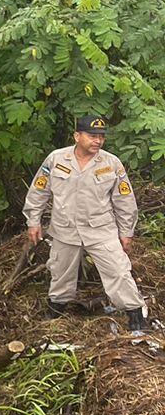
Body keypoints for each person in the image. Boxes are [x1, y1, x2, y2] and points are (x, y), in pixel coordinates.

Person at [24, 114, 149, 331]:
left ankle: (136, 315)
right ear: (77, 136)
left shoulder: (111, 163)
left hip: (101, 230)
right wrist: (33, 221)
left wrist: (126, 231)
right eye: (92, 136)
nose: (98, 141)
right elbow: (39, 190)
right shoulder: (56, 159)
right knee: (60, 272)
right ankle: (55, 312)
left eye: (101, 137)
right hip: (65, 229)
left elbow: (125, 200)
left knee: (119, 271)